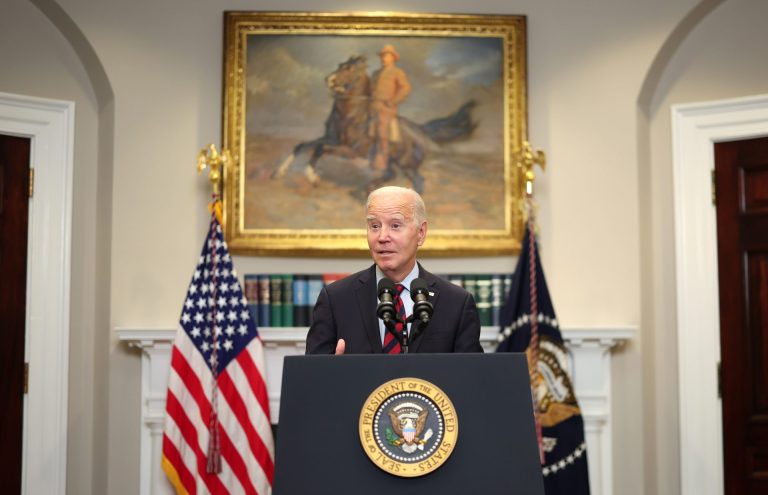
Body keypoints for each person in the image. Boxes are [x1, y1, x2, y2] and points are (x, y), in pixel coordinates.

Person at [305, 186, 483, 354]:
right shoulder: (335, 299)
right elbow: (310, 378)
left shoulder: (456, 303)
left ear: (421, 233)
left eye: (395, 226)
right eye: (374, 226)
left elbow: (472, 379)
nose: (382, 237)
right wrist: (331, 372)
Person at [369, 44, 412, 173]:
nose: (383, 58)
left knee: (382, 131)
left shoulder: (397, 72)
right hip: (372, 106)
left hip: (386, 108)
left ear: (393, 58)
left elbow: (406, 88)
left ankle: (382, 160)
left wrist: (393, 101)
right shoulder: (376, 73)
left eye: (386, 56)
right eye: (382, 56)